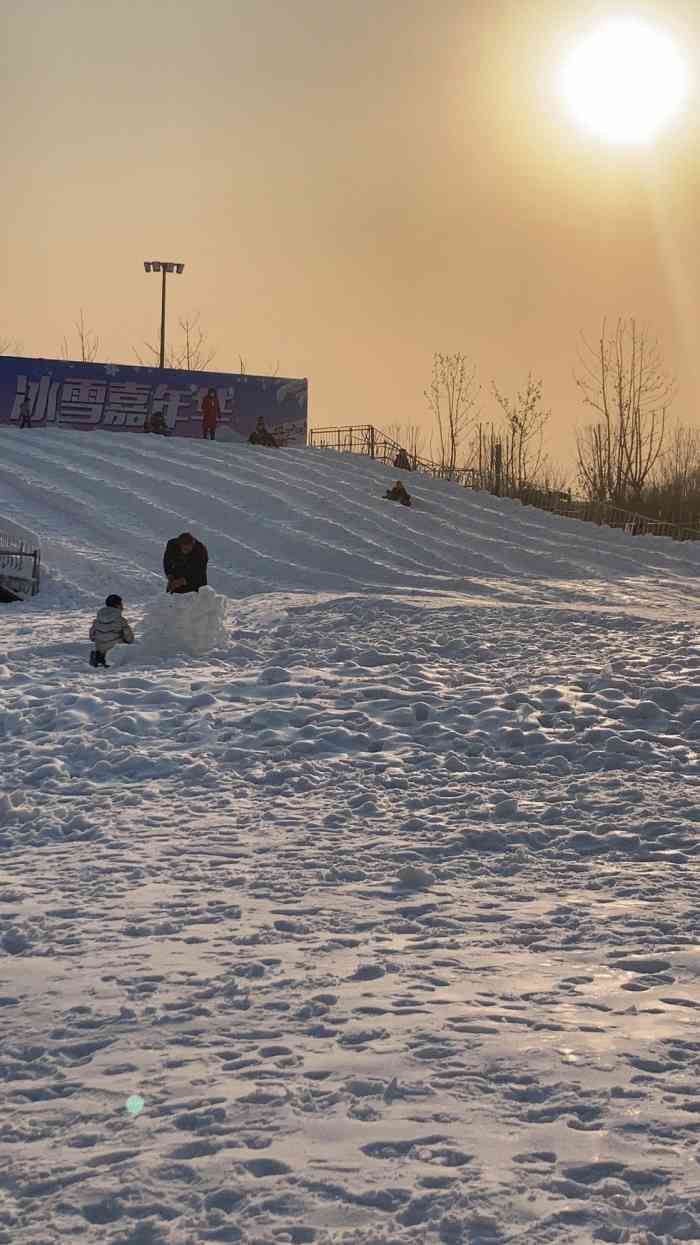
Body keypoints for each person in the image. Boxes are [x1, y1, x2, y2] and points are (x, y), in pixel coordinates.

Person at [89, 594, 135, 667]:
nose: (122, 606)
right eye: (121, 604)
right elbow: (129, 638)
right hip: (115, 651)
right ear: (117, 605)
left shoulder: (97, 620)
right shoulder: (121, 620)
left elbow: (92, 637)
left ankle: (99, 658)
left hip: (101, 651)